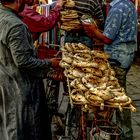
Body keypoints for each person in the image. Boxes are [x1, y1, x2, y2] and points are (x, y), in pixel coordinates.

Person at [0, 0, 63, 139]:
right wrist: (50, 63)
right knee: (24, 127)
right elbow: (23, 62)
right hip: (19, 87)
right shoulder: (15, 25)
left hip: (6, 82)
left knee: (9, 124)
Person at [83, 0, 137, 139]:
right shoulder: (129, 4)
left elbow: (107, 39)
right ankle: (116, 128)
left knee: (119, 98)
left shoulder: (117, 9)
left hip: (118, 57)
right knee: (118, 94)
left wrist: (94, 30)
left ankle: (125, 133)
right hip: (127, 54)